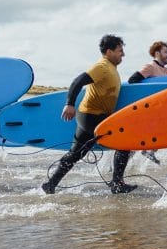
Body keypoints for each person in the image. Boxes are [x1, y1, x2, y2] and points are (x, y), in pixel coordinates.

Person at [42, 34, 137, 194]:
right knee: (124, 144)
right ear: (109, 52)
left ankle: (50, 184)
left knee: (76, 154)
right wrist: (69, 104)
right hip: (92, 117)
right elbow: (77, 81)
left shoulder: (111, 68)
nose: (123, 54)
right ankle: (117, 184)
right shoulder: (102, 67)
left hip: (91, 116)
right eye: (120, 50)